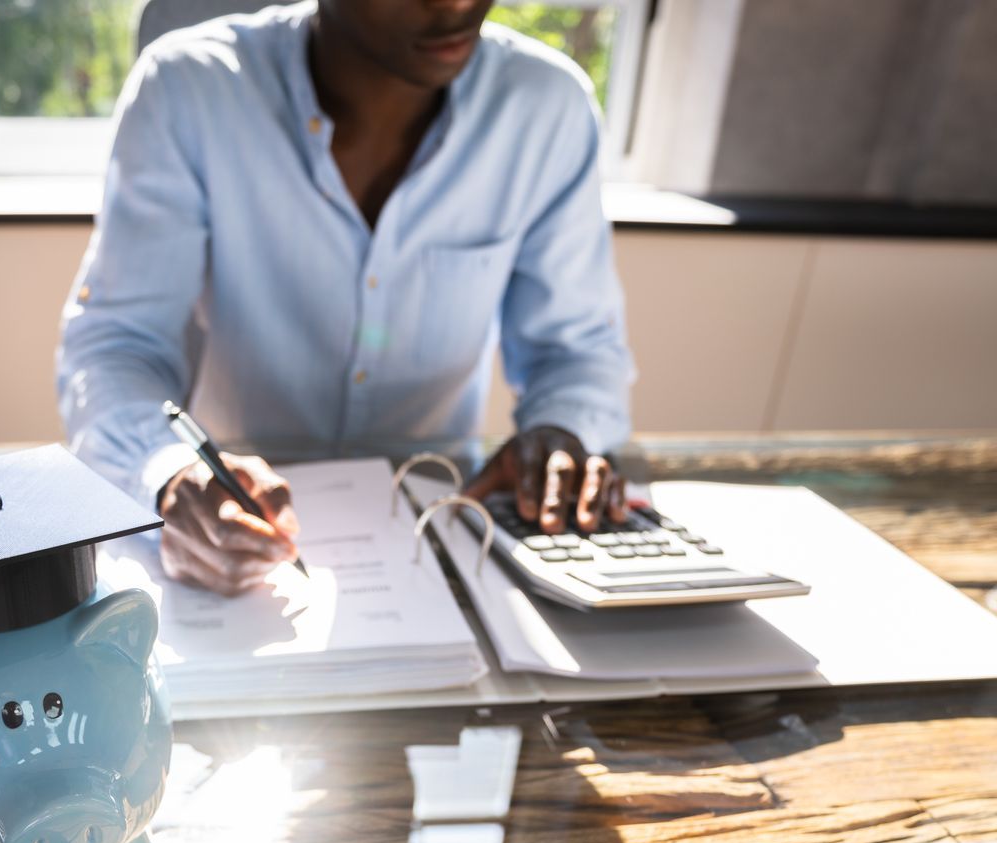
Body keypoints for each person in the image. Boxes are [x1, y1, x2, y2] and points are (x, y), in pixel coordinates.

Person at [58, 0, 636, 595]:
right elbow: (117, 344)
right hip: (229, 543)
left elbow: (577, 350)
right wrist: (168, 473)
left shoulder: (546, 107)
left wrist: (561, 427)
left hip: (442, 543)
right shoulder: (189, 89)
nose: (459, 4)